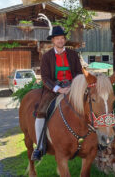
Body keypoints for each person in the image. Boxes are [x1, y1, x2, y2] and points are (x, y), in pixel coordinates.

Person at [32, 26, 83, 160]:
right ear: (53, 41)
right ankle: (40, 147)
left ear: (64, 40)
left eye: (62, 38)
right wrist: (59, 89)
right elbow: (45, 77)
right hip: (53, 89)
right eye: (57, 39)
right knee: (41, 112)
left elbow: (79, 72)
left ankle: (92, 140)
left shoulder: (73, 54)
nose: (60, 41)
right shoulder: (47, 56)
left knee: (89, 104)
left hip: (73, 87)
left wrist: (73, 87)